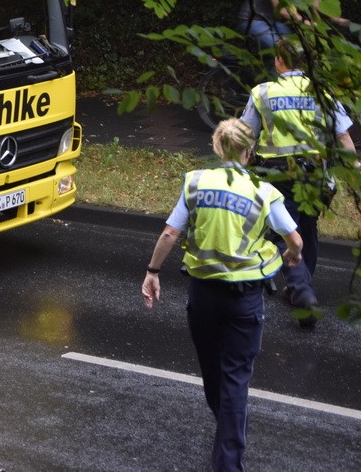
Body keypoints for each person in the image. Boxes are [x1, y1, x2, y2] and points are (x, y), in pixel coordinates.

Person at [142, 118, 303, 472]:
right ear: (250, 152)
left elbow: (170, 233)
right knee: (235, 378)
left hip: (202, 296)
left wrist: (152, 273)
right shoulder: (263, 190)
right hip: (243, 299)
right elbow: (294, 238)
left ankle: (228, 428)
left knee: (213, 372)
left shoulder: (196, 181)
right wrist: (292, 255)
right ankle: (228, 458)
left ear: (217, 148)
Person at [239, 37, 357, 324]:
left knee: (283, 229)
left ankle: (301, 290)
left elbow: (244, 136)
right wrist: (352, 168)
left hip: (279, 174)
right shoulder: (322, 92)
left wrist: (238, 170)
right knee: (307, 225)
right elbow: (342, 136)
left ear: (279, 61)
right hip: (315, 174)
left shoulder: (263, 92)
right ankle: (302, 285)